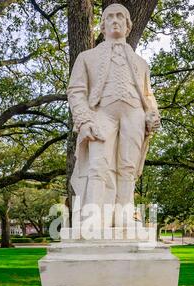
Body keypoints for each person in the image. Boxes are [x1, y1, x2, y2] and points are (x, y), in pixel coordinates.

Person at [67, 3, 160, 228]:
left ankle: (124, 217)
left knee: (128, 167)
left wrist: (153, 113)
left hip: (135, 115)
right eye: (110, 17)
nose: (115, 20)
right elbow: (76, 90)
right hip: (102, 113)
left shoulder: (141, 63)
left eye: (120, 17)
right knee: (98, 165)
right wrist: (84, 119)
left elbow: (148, 94)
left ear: (128, 26)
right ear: (102, 25)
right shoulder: (87, 57)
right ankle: (93, 218)